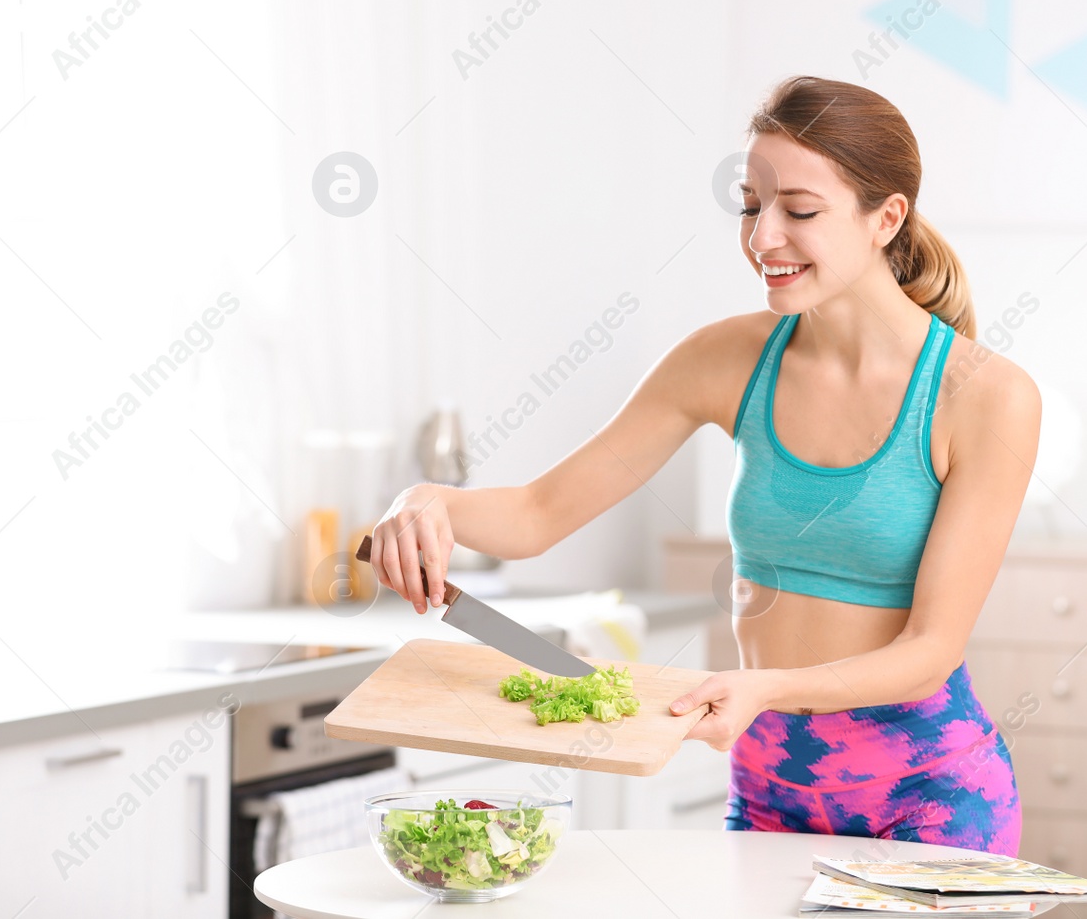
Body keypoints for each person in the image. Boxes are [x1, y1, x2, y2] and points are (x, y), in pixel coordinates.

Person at [363, 75, 1039, 853]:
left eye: (800, 210)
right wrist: (427, 501)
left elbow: (931, 651)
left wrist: (770, 688)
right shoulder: (726, 359)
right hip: (769, 796)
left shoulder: (987, 397)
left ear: (886, 218)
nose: (763, 238)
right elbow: (539, 513)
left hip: (928, 801)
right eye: (752, 206)